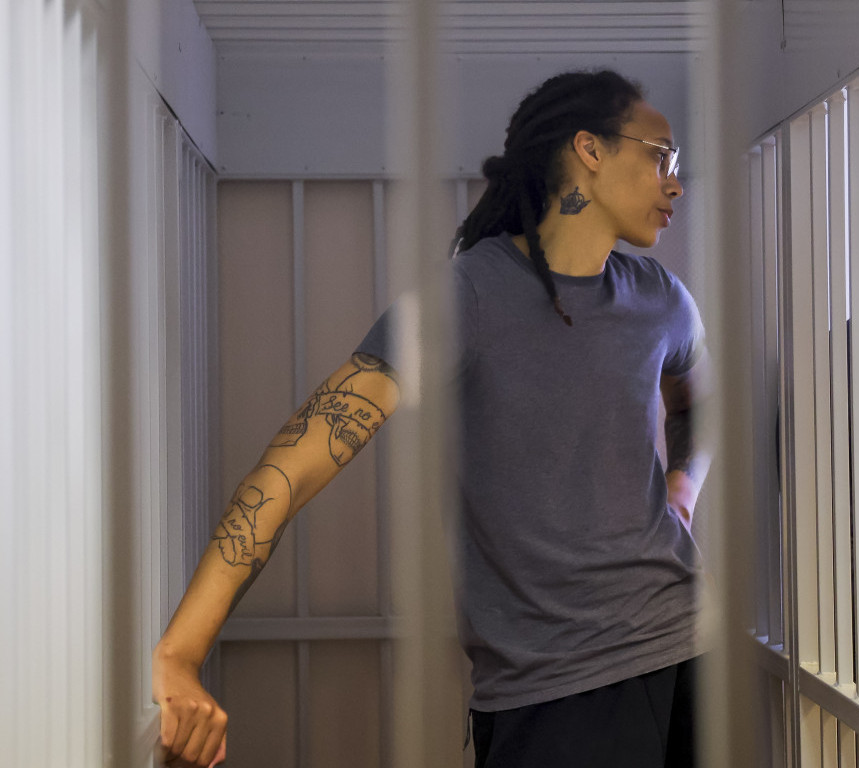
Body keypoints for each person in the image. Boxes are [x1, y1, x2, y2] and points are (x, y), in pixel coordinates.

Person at [152, 69, 709, 768]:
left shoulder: (662, 298)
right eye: (661, 157)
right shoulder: (468, 298)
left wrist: (683, 489)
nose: (675, 184)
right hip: (556, 688)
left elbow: (700, 405)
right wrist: (180, 653)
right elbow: (294, 465)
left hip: (689, 649)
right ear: (589, 150)